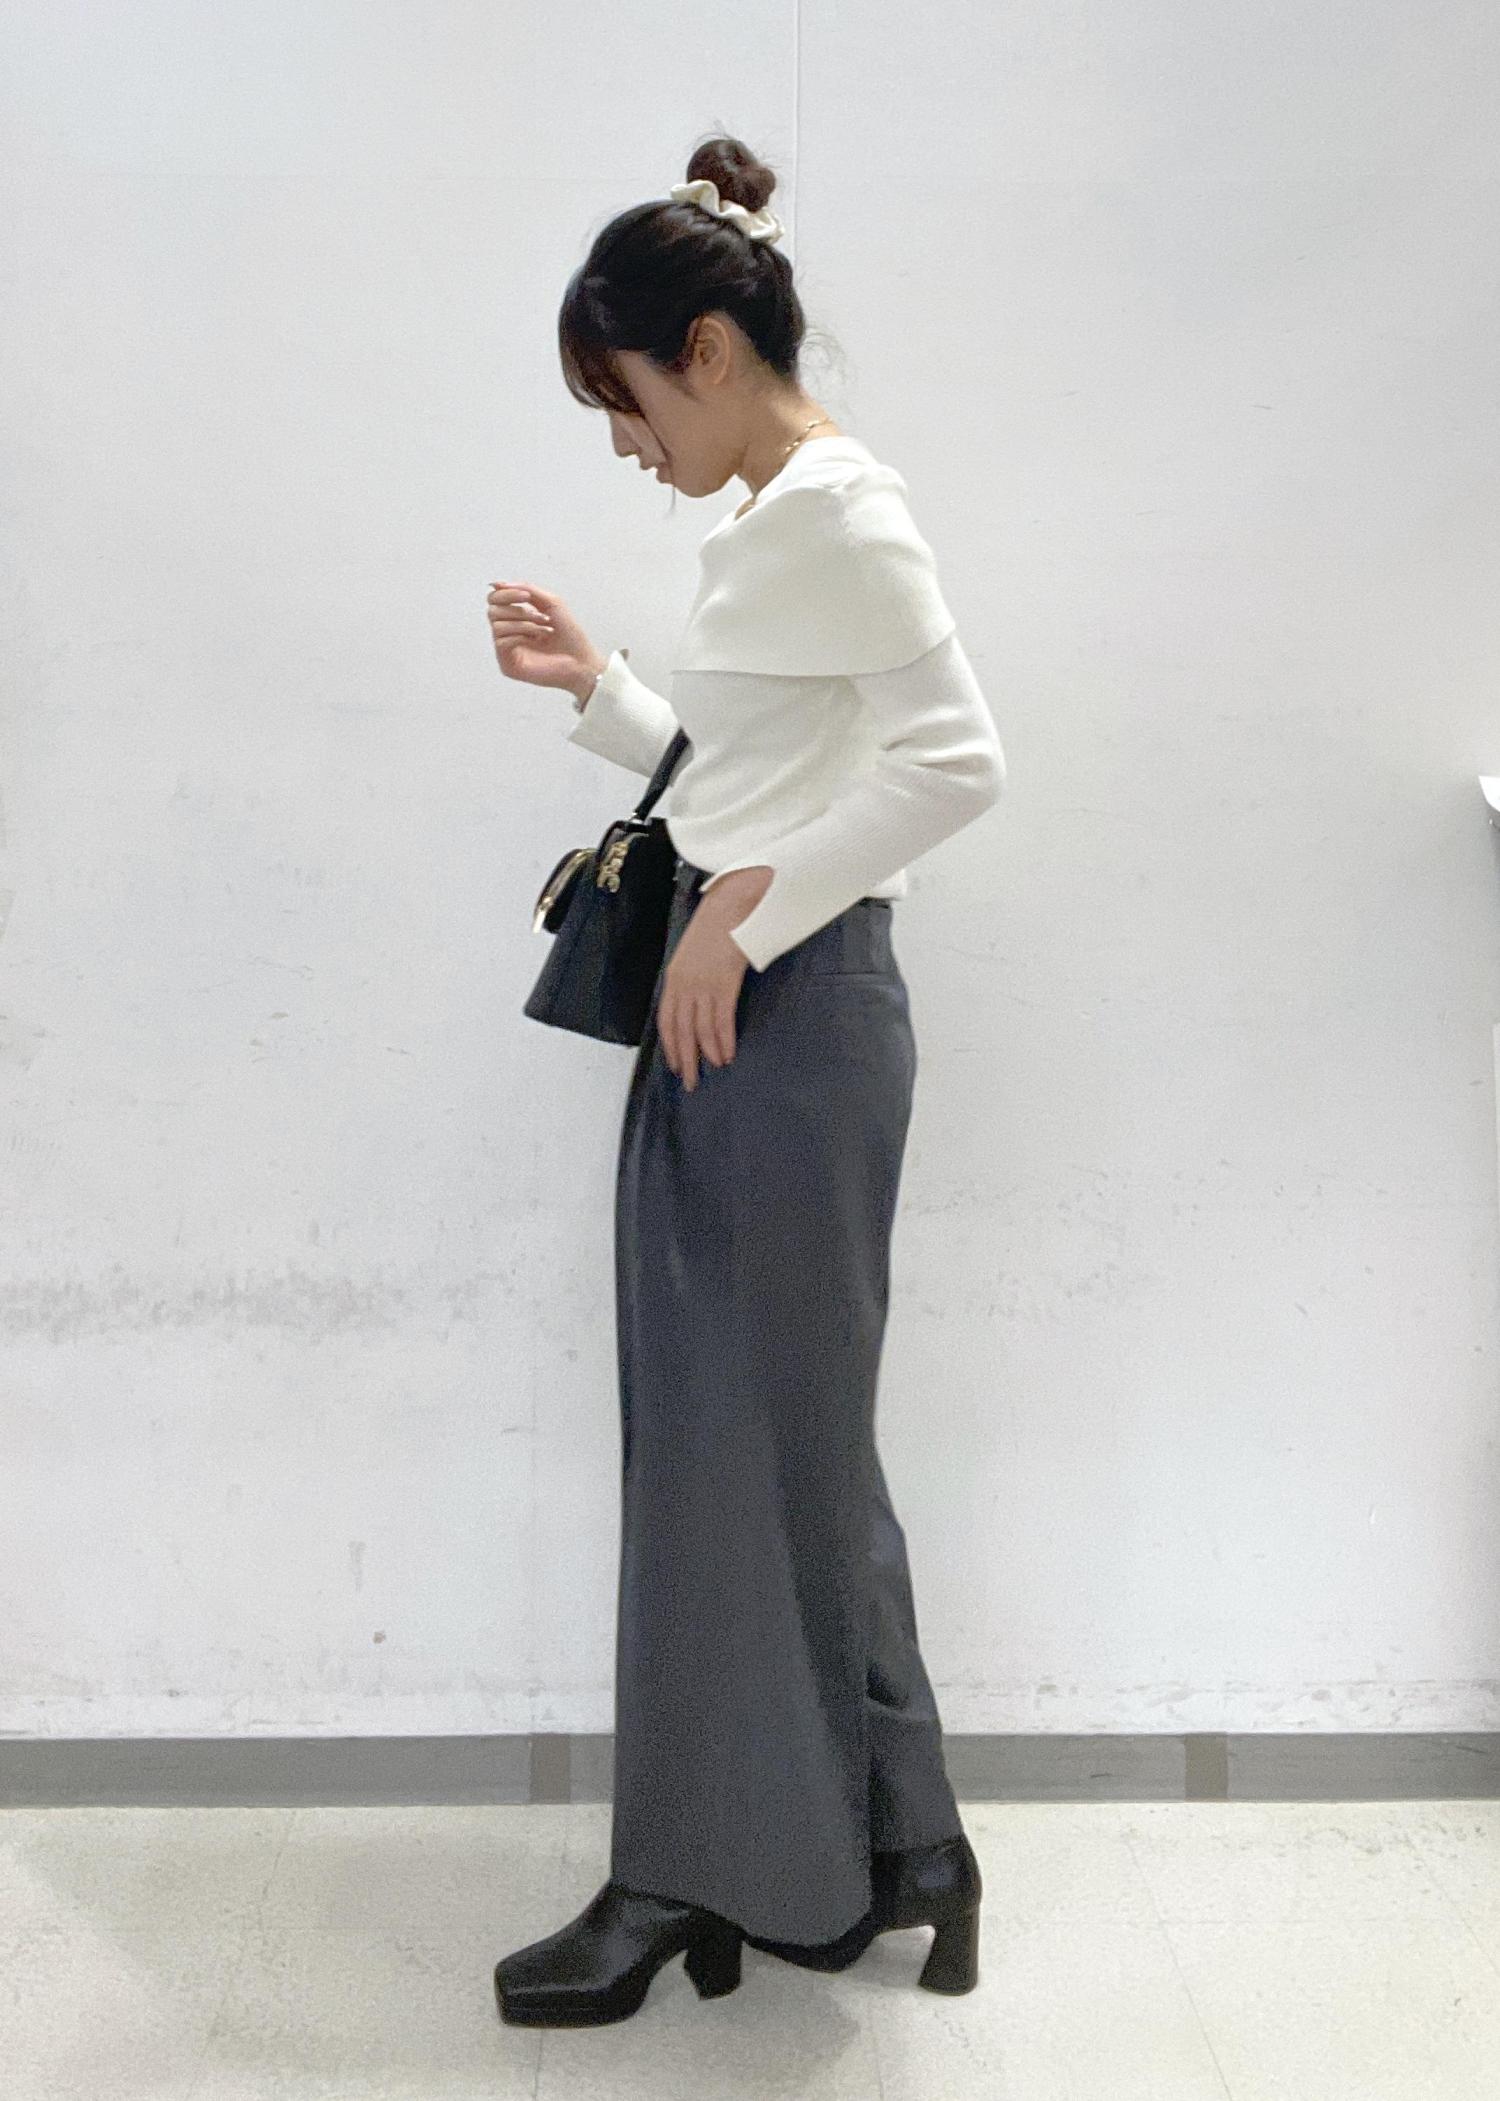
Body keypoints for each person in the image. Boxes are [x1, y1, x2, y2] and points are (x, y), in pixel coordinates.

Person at [486, 134, 1006, 2029]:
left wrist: (749, 917)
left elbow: (958, 761)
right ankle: (906, 1842)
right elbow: (753, 768)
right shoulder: (778, 515)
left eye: (626, 400)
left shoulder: (842, 513)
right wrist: (606, 693)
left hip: (788, 1023)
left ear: (705, 349)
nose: (628, 444)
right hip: (754, 1022)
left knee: (726, 1455)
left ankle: (685, 1870)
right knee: (782, 1445)